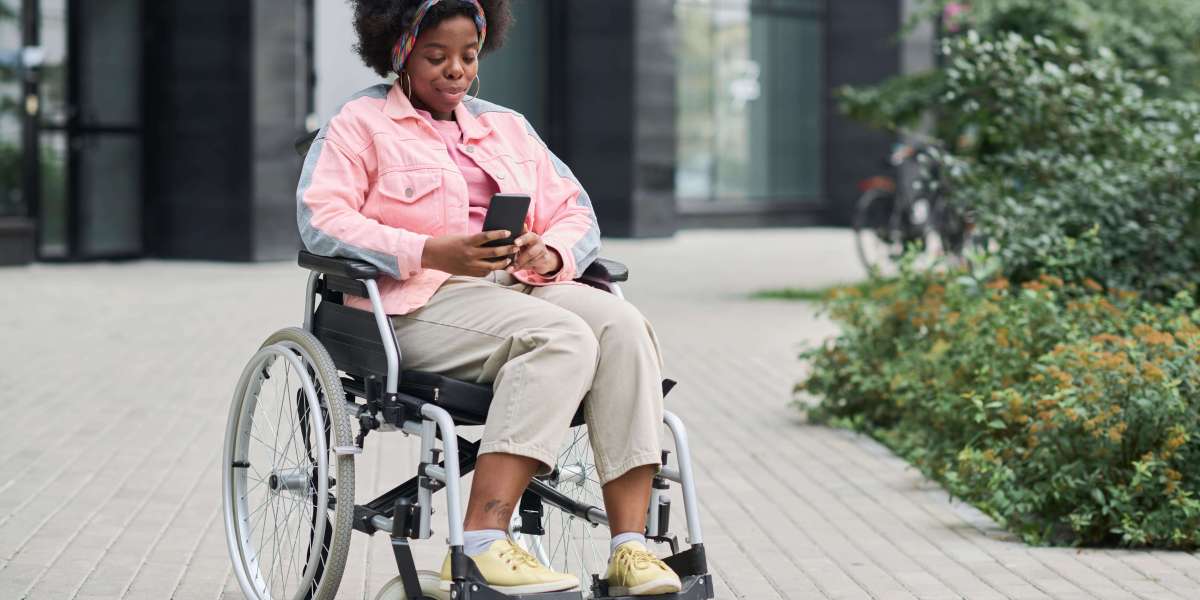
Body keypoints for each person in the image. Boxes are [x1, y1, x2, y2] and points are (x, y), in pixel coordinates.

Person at [296, 0, 682, 595]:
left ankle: (629, 548)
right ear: (398, 51)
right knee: (559, 338)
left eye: (468, 57)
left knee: (623, 326)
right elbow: (323, 222)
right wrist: (427, 250)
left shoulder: (504, 126)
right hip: (414, 303)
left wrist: (550, 253)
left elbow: (576, 211)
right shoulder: (358, 125)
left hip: (514, 288)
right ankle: (480, 541)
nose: (456, 70)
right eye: (437, 56)